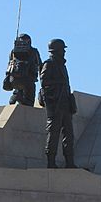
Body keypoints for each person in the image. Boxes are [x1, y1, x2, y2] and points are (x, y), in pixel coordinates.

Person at [40, 39, 77, 168]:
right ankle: (51, 162)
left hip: (66, 104)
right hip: (55, 105)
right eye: (63, 50)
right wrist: (58, 86)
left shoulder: (63, 66)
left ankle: (70, 162)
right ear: (56, 50)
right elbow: (44, 84)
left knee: (69, 135)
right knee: (53, 133)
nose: (64, 52)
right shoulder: (48, 64)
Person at [6, 33, 42, 107]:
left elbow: (9, 65)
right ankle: (19, 97)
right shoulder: (34, 51)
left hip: (13, 80)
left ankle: (16, 95)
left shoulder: (13, 51)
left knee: (19, 87)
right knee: (29, 102)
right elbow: (40, 66)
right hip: (29, 80)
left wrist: (7, 78)